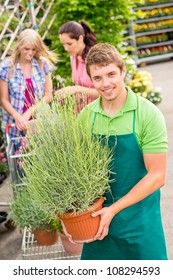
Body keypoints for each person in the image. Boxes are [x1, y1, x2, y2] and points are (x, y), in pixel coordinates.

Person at [77, 43, 168, 260]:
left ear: (123, 71)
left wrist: (114, 209)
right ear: (90, 79)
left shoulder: (147, 114)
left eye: (111, 74)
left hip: (140, 221)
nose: (105, 83)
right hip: (98, 223)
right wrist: (76, 218)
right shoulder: (86, 116)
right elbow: (78, 174)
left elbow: (157, 175)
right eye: (97, 78)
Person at [0, 28, 58, 141]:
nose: (30, 53)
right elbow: (4, 100)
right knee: (18, 154)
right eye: (26, 49)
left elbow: (48, 96)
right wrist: (18, 117)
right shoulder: (7, 68)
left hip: (40, 121)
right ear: (19, 47)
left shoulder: (43, 65)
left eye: (34, 49)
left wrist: (28, 114)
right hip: (15, 124)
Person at [57, 20, 99, 112]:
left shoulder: (95, 57)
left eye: (69, 44)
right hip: (83, 112)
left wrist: (77, 89)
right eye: (63, 44)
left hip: (98, 111)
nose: (66, 48)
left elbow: (104, 92)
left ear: (80, 39)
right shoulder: (73, 57)